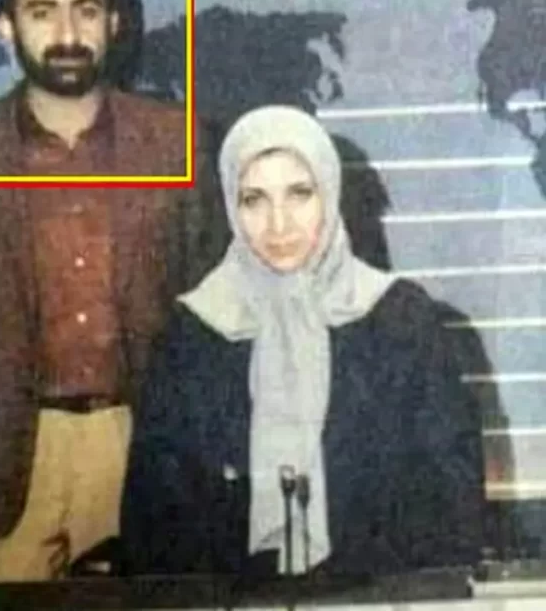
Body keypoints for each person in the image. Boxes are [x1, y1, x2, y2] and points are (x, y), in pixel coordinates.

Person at [0, 0, 227, 581]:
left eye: (86, 9)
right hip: (4, 450)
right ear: (5, 25)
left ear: (115, 21)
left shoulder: (177, 142)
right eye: (41, 12)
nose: (67, 34)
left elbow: (213, 287)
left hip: (143, 439)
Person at [120, 105, 485, 578]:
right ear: (230, 206)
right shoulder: (193, 331)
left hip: (375, 595)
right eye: (254, 199)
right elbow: (156, 517)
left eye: (299, 194)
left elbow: (449, 500)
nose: (279, 225)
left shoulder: (401, 320)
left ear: (330, 193)